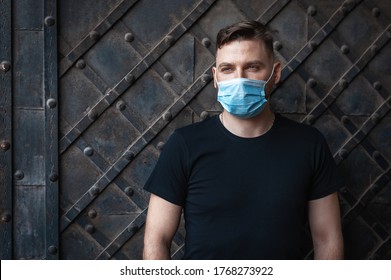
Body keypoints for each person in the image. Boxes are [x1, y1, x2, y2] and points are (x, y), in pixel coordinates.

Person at [143, 20, 344, 260]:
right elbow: (156, 239)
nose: (240, 79)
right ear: (216, 77)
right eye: (228, 69)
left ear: (275, 72)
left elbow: (327, 238)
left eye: (252, 67)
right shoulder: (184, 145)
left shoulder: (309, 145)